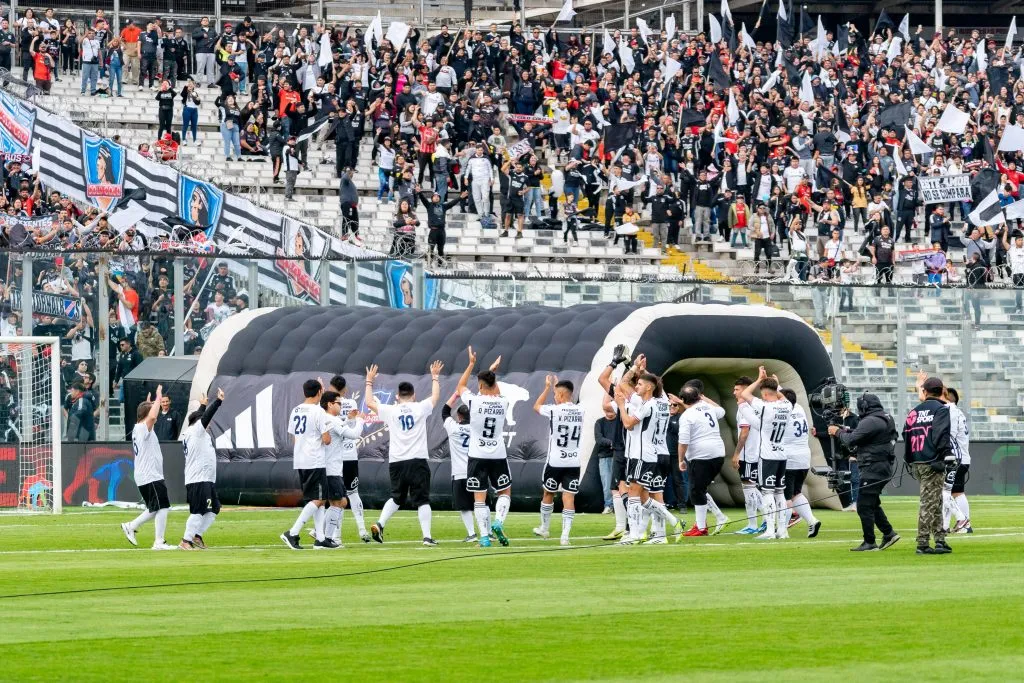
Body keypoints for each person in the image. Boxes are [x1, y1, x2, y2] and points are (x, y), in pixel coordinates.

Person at [365, 360, 444, 547]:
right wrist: (435, 377)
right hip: (417, 460)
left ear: (398, 396)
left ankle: (380, 523)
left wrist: (369, 381)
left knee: (396, 497)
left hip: (397, 461)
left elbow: (369, 402)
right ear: (414, 395)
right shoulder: (419, 407)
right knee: (422, 499)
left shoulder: (391, 410)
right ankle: (426, 537)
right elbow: (435, 397)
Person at [614, 356, 679, 544]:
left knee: (633, 492)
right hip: (660, 453)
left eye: (640, 384)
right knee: (650, 495)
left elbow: (627, 423)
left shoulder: (647, 405)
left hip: (643, 455)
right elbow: (641, 384)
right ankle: (663, 531)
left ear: (649, 388)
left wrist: (635, 368)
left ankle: (634, 535)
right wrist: (643, 372)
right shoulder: (664, 401)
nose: (636, 387)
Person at [830, 393, 901, 552]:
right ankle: (889, 533)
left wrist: (837, 432)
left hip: (873, 467)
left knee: (863, 505)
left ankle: (869, 542)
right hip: (881, 466)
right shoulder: (883, 417)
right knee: (872, 502)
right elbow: (865, 433)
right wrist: (845, 429)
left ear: (863, 407)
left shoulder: (870, 420)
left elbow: (851, 440)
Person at [456, 347, 512, 547]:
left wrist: (471, 363)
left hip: (477, 454)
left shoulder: (473, 401)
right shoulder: (503, 402)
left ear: (479, 385)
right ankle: (498, 522)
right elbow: (493, 389)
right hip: (497, 454)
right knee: (504, 492)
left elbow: (460, 385)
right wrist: (492, 372)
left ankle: (484, 537)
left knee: (479, 497)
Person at [279, 379, 336, 551]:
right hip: (314, 459)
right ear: (319, 392)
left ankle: (320, 539)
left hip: (301, 458)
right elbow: (327, 440)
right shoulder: (318, 411)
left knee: (318, 498)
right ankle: (293, 532)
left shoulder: (296, 410)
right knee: (319, 498)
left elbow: (294, 436)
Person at [120, 385, 177, 550]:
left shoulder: (140, 428)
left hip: (148, 474)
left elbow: (149, 415)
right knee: (163, 506)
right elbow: (151, 417)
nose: (157, 412)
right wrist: (159, 397)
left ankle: (131, 526)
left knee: (156, 507)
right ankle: (159, 541)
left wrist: (150, 402)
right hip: (149, 475)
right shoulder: (142, 427)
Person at [739, 367, 792, 540]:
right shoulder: (786, 405)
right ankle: (782, 530)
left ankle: (770, 530)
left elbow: (745, 394)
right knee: (780, 493)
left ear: (765, 394)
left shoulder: (765, 407)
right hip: (782, 455)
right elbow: (781, 394)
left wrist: (759, 379)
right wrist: (777, 385)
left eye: (763, 394)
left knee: (767, 492)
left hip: (768, 456)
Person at [903, 376, 954, 555]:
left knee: (936, 500)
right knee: (929, 503)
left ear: (924, 391)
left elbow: (906, 435)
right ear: (941, 391)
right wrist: (946, 454)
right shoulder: (941, 409)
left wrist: (909, 459)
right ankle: (923, 543)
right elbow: (941, 434)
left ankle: (940, 539)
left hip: (916, 460)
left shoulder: (913, 412)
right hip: (932, 461)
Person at [532, 375, 584, 546]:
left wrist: (547, 387)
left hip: (555, 461)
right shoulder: (580, 410)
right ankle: (565, 536)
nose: (554, 397)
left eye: (555, 394)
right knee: (569, 497)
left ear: (561, 395)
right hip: (574, 462)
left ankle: (545, 528)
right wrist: (555, 388)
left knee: (548, 493)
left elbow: (536, 406)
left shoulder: (554, 410)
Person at [675, 386, 728, 536]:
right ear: (699, 397)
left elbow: (683, 441)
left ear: (683, 400)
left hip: (701, 455)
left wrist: (681, 460)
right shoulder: (708, 407)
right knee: (700, 489)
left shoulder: (687, 416)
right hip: (718, 453)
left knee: (696, 491)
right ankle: (716, 518)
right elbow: (722, 411)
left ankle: (701, 526)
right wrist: (705, 398)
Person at [180, 388, 224, 550]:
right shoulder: (196, 432)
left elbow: (200, 417)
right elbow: (204, 419)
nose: (209, 424)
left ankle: (197, 535)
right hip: (198, 478)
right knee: (198, 511)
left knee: (214, 509)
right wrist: (218, 401)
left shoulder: (193, 432)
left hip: (206, 478)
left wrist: (203, 405)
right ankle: (185, 540)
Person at [329, 375, 370, 542]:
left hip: (335, 457)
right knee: (353, 493)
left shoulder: (328, 406)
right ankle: (362, 530)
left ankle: (336, 536)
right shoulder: (352, 404)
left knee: (336, 498)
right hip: (350, 455)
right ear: (345, 389)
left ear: (331, 388)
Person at [780, 388, 821, 538]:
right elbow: (786, 396)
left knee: (784, 496)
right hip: (804, 458)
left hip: (789, 458)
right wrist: (777, 385)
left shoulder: (783, 412)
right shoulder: (799, 408)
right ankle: (812, 521)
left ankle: (782, 529)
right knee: (796, 492)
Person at [318, 390, 352, 547]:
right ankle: (326, 538)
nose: (341, 406)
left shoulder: (324, 417)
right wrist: (358, 421)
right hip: (331, 468)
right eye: (339, 403)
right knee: (336, 503)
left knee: (342, 501)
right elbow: (355, 434)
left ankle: (322, 533)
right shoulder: (331, 420)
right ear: (330, 404)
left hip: (331, 467)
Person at [731, 376, 765, 535]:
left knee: (749, 487)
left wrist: (736, 453)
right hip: (755, 453)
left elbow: (745, 432)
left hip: (749, 454)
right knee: (751, 487)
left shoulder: (745, 406)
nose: (734, 392)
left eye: (737, 389)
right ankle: (763, 520)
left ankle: (755, 523)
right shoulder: (754, 405)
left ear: (745, 390)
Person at [442, 392, 476, 542]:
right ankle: (488, 532)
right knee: (482, 504)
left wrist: (455, 395)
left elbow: (444, 411)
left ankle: (472, 534)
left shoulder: (453, 428)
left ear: (459, 417)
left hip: (460, 472)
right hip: (476, 471)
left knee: (464, 506)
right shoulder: (477, 429)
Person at [942, 386, 972, 534]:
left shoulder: (951, 413)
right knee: (955, 491)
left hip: (956, 458)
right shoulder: (960, 413)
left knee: (953, 492)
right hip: (963, 457)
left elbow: (949, 436)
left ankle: (964, 523)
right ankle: (951, 525)